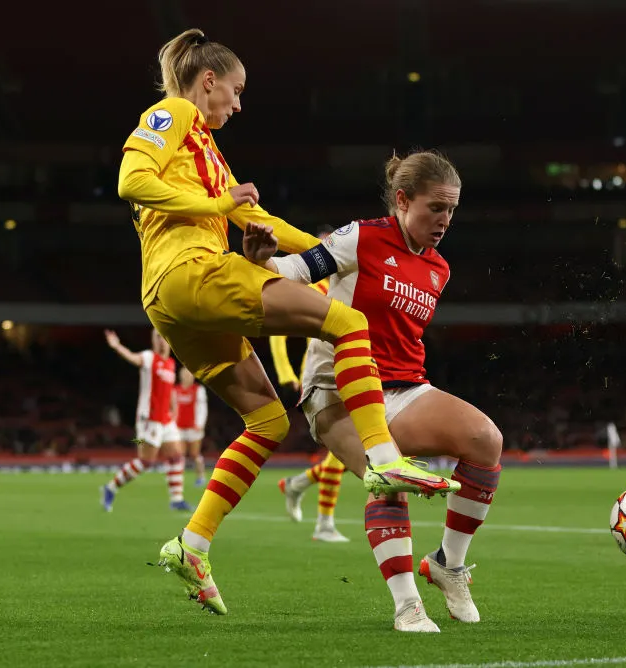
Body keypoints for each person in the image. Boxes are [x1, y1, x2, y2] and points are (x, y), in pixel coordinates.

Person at [117, 28, 458, 615]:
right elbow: (130, 181)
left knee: (268, 422)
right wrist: (219, 208)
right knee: (348, 322)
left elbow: (260, 218)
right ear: (209, 81)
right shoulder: (172, 111)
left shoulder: (208, 151)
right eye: (236, 90)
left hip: (172, 301)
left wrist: (326, 246)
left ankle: (191, 544)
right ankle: (382, 459)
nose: (239, 104)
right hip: (191, 274)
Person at [246, 150, 502, 633]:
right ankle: (407, 605)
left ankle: (448, 563)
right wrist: (260, 261)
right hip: (336, 390)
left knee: (486, 441)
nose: (445, 220)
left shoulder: (439, 269)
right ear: (403, 200)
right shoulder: (360, 237)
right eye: (436, 208)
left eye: (452, 210)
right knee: (388, 477)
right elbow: (296, 270)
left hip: (404, 387)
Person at [270, 225, 349, 543]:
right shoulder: (310, 287)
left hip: (351, 372)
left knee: (350, 454)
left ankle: (297, 485)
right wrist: (285, 372)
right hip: (322, 375)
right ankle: (324, 524)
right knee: (345, 453)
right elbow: (280, 329)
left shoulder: (347, 285)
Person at [101, 329, 190, 511]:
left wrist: (175, 408)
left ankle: (176, 500)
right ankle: (110, 487)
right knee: (146, 461)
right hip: (149, 419)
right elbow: (133, 358)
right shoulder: (149, 358)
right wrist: (117, 346)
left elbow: (170, 388)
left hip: (166, 419)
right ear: (153, 341)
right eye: (157, 337)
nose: (161, 341)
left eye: (163, 337)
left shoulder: (171, 364)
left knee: (176, 456)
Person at [174, 367, 209, 485]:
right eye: (184, 375)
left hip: (194, 428)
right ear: (180, 376)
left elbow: (202, 409)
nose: (186, 377)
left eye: (189, 375)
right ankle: (178, 478)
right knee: (179, 454)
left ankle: (201, 476)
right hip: (179, 427)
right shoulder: (175, 390)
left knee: (195, 454)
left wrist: (200, 424)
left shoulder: (198, 390)